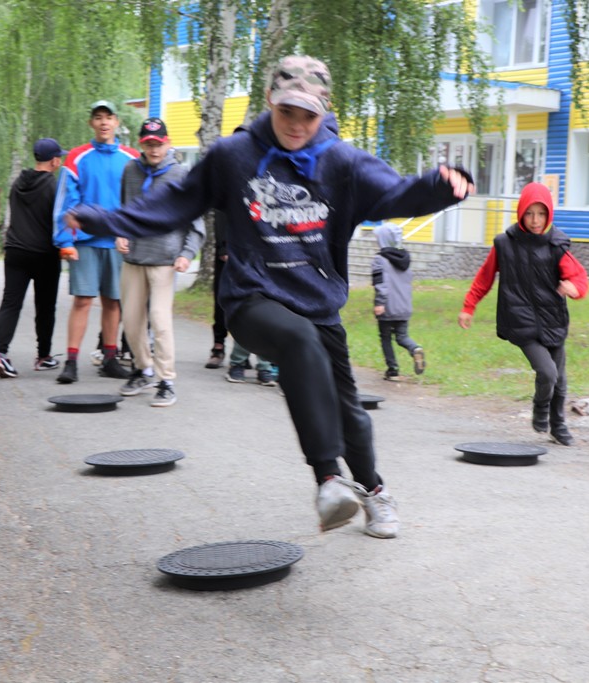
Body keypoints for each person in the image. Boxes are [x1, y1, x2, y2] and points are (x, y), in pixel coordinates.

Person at [67, 55, 474, 539]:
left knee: (351, 414)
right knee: (298, 341)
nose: (297, 125)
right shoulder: (234, 155)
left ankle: (372, 489)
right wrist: (106, 221)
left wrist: (440, 186)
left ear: (323, 110)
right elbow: (174, 202)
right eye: (287, 112)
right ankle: (327, 479)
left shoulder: (341, 161)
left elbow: (396, 192)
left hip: (318, 301)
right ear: (269, 102)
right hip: (252, 297)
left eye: (308, 114)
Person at [458, 181, 588, 446]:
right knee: (548, 373)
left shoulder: (556, 245)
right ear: (521, 213)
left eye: (541, 214)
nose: (535, 220)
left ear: (549, 214)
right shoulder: (505, 244)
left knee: (560, 380)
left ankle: (558, 426)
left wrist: (574, 288)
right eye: (529, 213)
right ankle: (540, 407)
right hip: (521, 322)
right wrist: (469, 306)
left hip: (553, 321)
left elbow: (579, 277)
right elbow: (484, 277)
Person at [116, 117, 204, 407]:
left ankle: (166, 380)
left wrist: (186, 253)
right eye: (149, 144)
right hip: (135, 258)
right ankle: (144, 369)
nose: (154, 150)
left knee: (160, 320)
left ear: (167, 143)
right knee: (131, 322)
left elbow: (196, 221)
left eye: (159, 144)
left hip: (165, 260)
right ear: (142, 145)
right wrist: (120, 234)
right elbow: (124, 212)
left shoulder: (181, 174)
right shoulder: (130, 171)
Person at [52, 100, 138, 384]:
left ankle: (110, 358)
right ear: (91, 123)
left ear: (116, 122)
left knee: (114, 302)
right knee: (83, 301)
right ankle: (72, 361)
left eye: (108, 117)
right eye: (98, 118)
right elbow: (65, 201)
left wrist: (134, 234)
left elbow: (138, 202)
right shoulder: (77, 157)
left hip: (117, 242)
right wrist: (65, 240)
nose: (103, 122)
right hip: (86, 242)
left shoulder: (131, 158)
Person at [0, 138, 67, 378]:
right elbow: (60, 220)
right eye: (59, 157)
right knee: (45, 307)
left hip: (15, 251)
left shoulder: (18, 183)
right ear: (54, 160)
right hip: (44, 254)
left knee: (10, 303)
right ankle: (43, 356)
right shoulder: (54, 188)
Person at [371, 223, 425, 381]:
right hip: (404, 305)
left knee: (385, 337)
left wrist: (379, 303)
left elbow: (380, 282)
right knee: (402, 336)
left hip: (387, 306)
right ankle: (415, 349)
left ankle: (393, 370)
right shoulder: (405, 258)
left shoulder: (379, 260)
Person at [205, 211, 230, 368]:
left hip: (250, 249)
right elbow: (221, 214)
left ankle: (241, 356)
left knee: (249, 301)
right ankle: (218, 346)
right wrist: (222, 247)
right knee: (221, 300)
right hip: (227, 250)